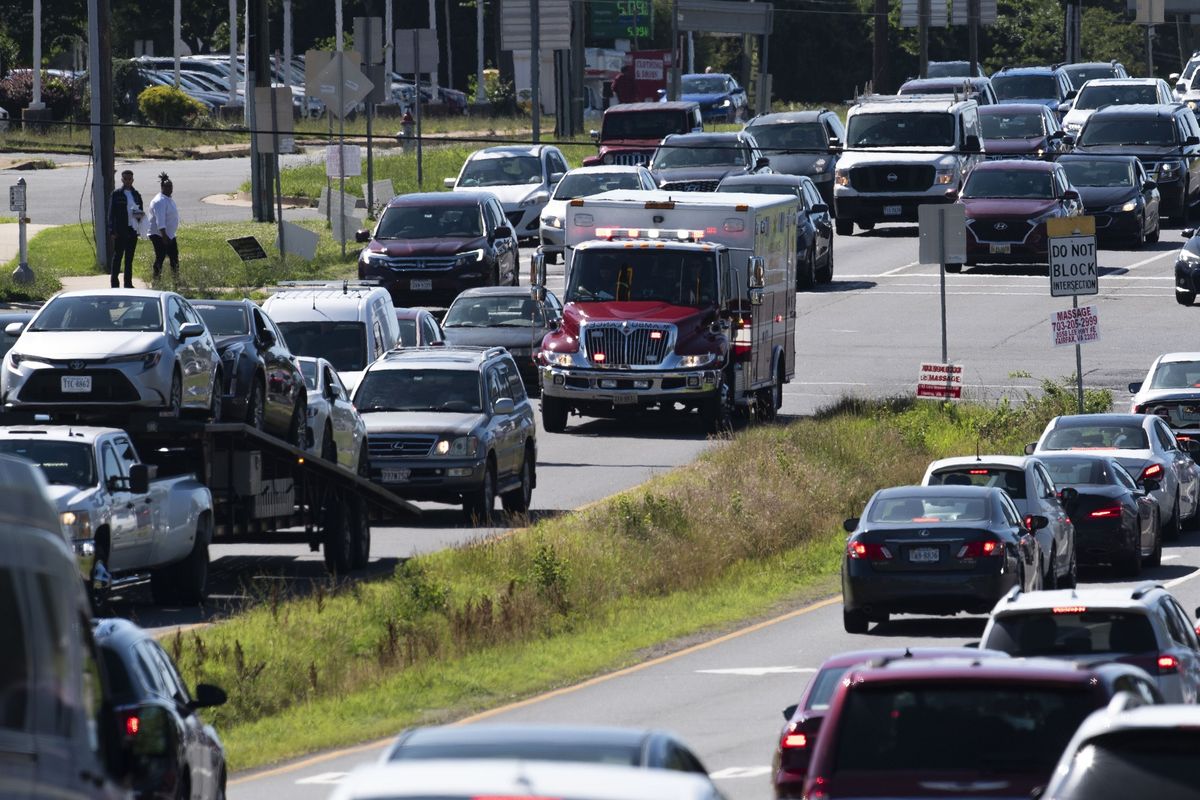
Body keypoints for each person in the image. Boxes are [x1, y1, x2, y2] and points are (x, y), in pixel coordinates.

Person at [107, 169, 144, 288]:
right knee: (118, 257)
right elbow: (111, 213)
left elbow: (140, 212)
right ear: (122, 180)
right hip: (120, 230)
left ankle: (128, 283)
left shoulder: (136, 194)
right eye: (125, 179)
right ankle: (114, 283)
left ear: (132, 180)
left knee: (129, 258)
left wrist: (139, 227)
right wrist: (112, 230)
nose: (128, 181)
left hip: (132, 230)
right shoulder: (117, 194)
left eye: (130, 179)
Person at [147, 172, 180, 283]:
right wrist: (164, 236)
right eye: (166, 186)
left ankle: (176, 281)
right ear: (162, 187)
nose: (169, 188)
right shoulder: (159, 201)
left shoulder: (168, 198)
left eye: (171, 186)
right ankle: (156, 281)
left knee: (174, 258)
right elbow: (160, 220)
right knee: (160, 257)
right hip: (160, 235)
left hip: (169, 234)